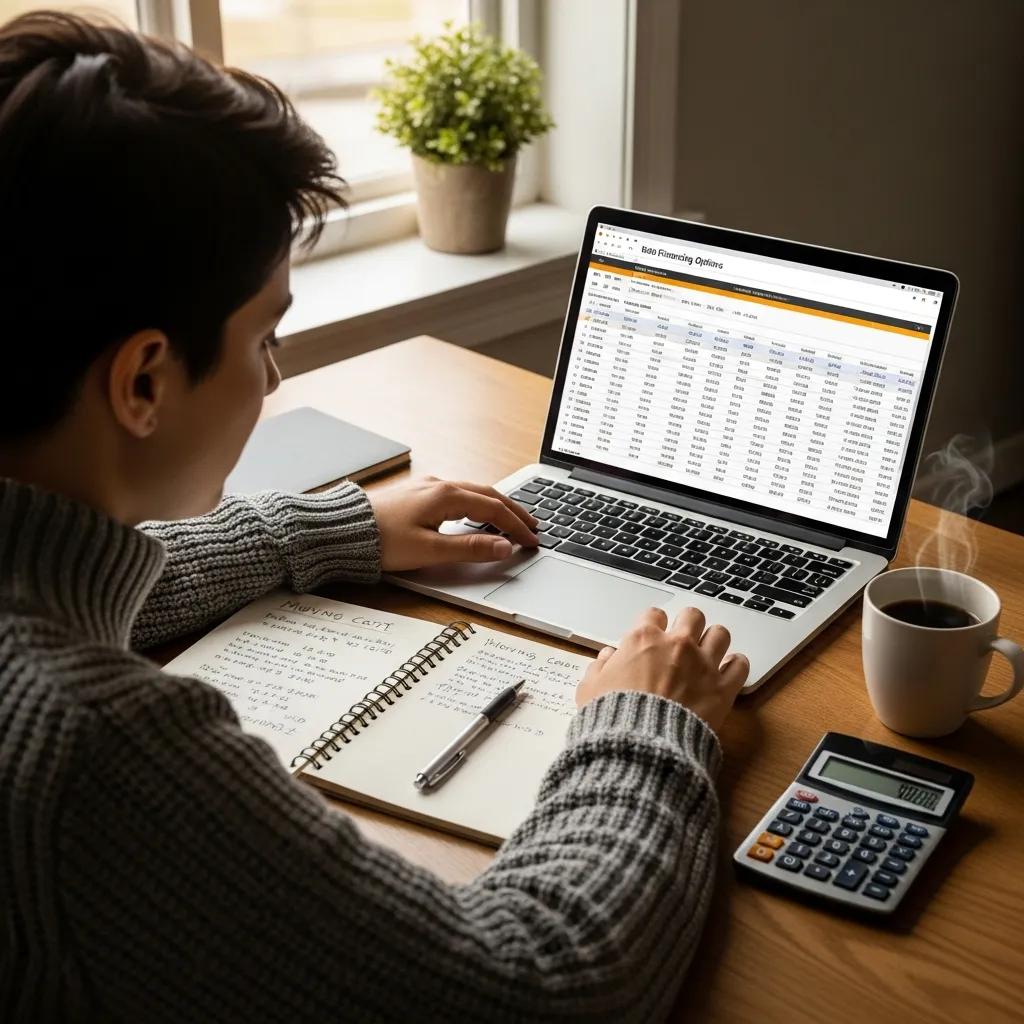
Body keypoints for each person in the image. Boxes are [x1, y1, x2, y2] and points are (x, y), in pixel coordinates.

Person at [0, 11, 750, 1022]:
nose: (275, 374)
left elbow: (63, 584)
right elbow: (540, 990)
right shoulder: (99, 756)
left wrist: (323, 528)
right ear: (143, 379)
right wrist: (645, 724)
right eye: (267, 337)